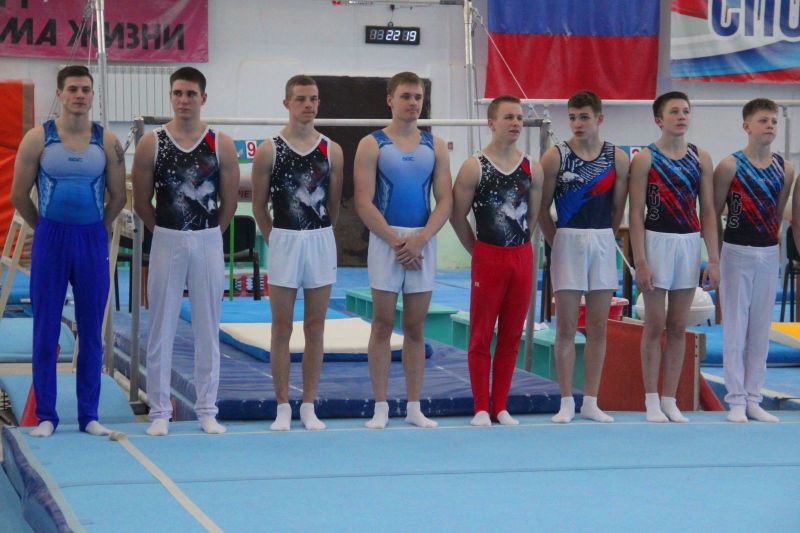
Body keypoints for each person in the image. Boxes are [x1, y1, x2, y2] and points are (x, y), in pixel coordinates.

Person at [11, 65, 126, 437]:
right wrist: (43, 227)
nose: (79, 95)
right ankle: (46, 415)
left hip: (91, 239)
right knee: (45, 328)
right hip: (51, 238)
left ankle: (89, 415)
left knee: (91, 330)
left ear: (93, 95)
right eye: (73, 89)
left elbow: (118, 196)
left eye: (85, 90)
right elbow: (18, 195)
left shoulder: (107, 141)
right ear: (59, 93)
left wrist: (99, 226)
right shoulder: (37, 139)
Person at [132, 67, 240, 436]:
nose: (183, 100)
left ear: (203, 98)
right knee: (160, 325)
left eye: (191, 94)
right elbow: (141, 200)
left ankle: (207, 409)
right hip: (166, 237)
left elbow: (229, 202)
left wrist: (209, 233)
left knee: (207, 327)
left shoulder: (221, 144)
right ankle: (160, 410)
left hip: (208, 238)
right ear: (170, 96)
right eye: (177, 93)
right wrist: (164, 232)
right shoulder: (153, 143)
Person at [354, 71, 452, 429]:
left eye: (418, 97)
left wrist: (421, 239)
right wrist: (397, 242)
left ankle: (414, 406)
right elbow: (363, 202)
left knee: (415, 326)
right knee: (382, 324)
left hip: (422, 241)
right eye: (406, 96)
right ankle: (380, 405)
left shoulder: (435, 145)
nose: (413, 103)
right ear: (390, 100)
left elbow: (445, 200)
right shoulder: (372, 144)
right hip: (386, 241)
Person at [251, 75, 343, 431]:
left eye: (314, 99)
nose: (308, 105)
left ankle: (308, 404)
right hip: (284, 239)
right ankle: (282, 405)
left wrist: (320, 235)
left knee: (316, 326)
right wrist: (275, 238)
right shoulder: (269, 150)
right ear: (286, 103)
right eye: (301, 98)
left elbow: (334, 206)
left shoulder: (332, 150)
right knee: (282, 327)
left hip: (319, 239)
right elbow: (259, 206)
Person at [450, 95, 542, 426]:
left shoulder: (532, 166)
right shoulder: (474, 166)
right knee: (481, 334)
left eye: (519, 117)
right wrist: (477, 251)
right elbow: (456, 216)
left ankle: (500, 405)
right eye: (508, 117)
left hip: (521, 256)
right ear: (491, 123)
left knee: (512, 334)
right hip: (488, 255)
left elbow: (533, 216)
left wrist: (520, 247)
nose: (516, 123)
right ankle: (480, 406)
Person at [538, 90, 629, 424]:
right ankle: (565, 400)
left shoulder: (618, 158)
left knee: (598, 326)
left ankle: (591, 400)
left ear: (599, 118)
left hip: (602, 239)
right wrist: (557, 240)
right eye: (573, 117)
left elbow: (618, 209)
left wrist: (604, 236)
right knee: (565, 325)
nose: (577, 123)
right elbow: (541, 208)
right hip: (567, 239)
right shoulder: (555, 157)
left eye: (584, 117)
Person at [628, 91, 719, 423]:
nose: (682, 116)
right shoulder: (645, 159)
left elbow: (708, 211)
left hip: (688, 243)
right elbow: (635, 214)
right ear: (659, 120)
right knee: (654, 325)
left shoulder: (701, 158)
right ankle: (651, 399)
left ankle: (670, 399)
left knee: (678, 326)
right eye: (674, 112)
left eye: (686, 111)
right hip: (656, 241)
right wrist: (641, 260)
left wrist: (713, 258)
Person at [714, 98, 794, 423]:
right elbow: (713, 211)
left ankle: (753, 398)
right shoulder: (729, 166)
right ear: (746, 126)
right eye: (763, 120)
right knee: (736, 327)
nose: (770, 126)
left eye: (774, 121)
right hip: (736, 249)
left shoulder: (785, 169)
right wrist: (716, 256)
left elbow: (778, 211)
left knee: (761, 327)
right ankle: (735, 399)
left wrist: (771, 242)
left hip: (768, 252)